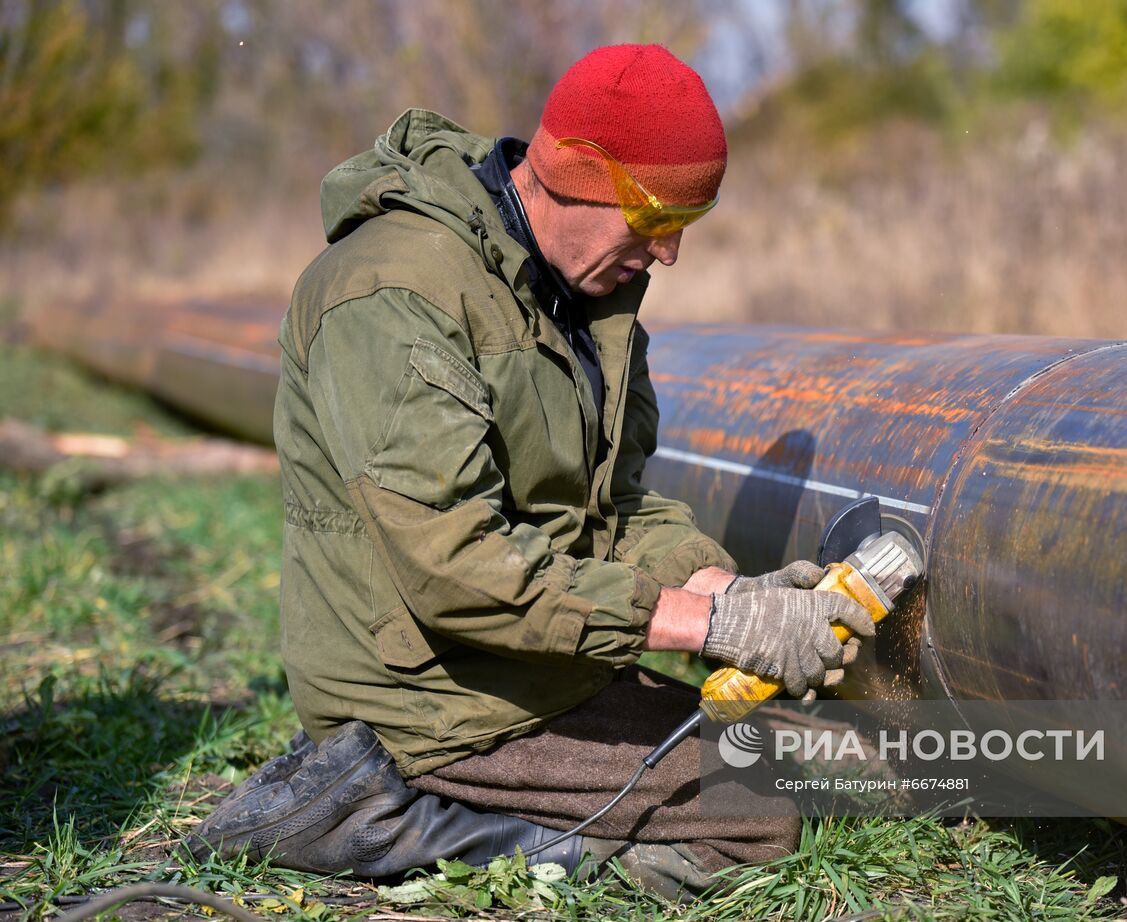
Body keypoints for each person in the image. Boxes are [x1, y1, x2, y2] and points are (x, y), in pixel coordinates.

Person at [185, 44, 874, 900]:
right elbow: (455, 566)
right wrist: (703, 630)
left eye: (688, 224)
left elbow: (612, 507)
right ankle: (370, 813)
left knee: (805, 768)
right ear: (582, 177)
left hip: (534, 663)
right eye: (657, 221)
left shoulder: (585, 294)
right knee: (764, 809)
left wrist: (729, 597)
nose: (669, 256)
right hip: (428, 696)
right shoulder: (393, 294)